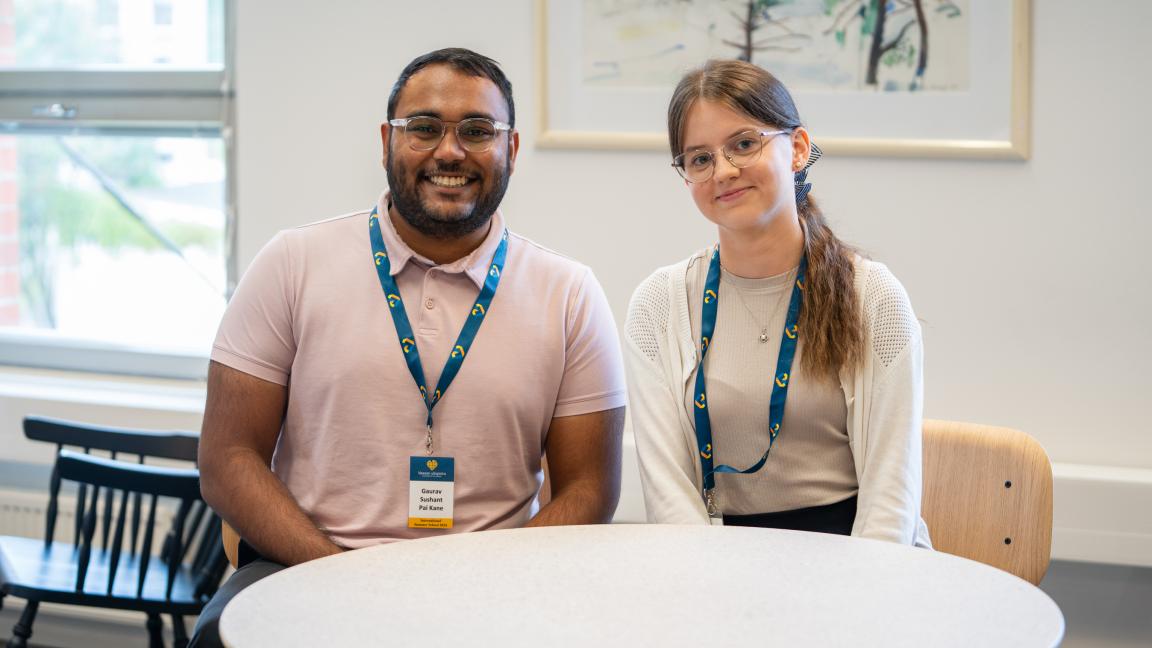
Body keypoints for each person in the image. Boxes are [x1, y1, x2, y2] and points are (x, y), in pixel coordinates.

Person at [190, 48, 627, 645]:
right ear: (386, 141)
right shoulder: (292, 264)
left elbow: (589, 490)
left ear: (512, 149)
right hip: (306, 567)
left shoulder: (569, 293)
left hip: (494, 590)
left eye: (478, 131)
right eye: (423, 127)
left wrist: (487, 592)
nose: (450, 151)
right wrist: (341, 577)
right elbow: (227, 458)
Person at [624, 59, 930, 545]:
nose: (724, 171)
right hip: (716, 563)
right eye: (700, 159)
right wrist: (708, 584)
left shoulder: (872, 296)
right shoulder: (658, 307)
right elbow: (669, 499)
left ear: (798, 149)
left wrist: (860, 591)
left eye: (744, 144)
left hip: (857, 560)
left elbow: (891, 506)